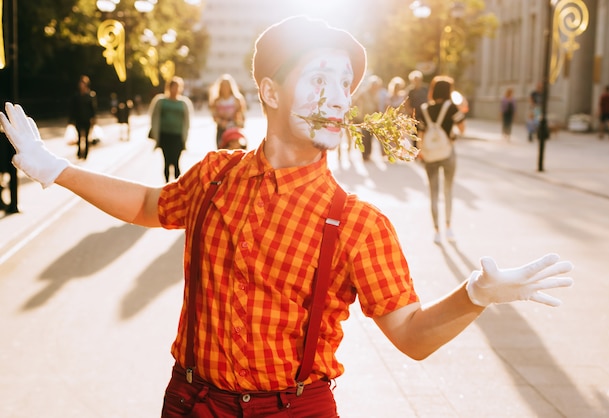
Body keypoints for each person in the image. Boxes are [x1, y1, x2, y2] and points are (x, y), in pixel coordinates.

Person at [0, 16, 574, 417]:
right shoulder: (215, 175)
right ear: (271, 92)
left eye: (344, 84)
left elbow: (412, 337)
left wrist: (474, 294)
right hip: (190, 404)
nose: (336, 97)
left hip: (294, 411)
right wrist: (55, 169)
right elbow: (151, 205)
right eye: (318, 79)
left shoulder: (358, 224)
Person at [419, 75, 466, 245]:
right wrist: (452, 137)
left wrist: (420, 151)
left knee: (433, 193)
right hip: (447, 154)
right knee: (448, 191)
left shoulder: (425, 109)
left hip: (430, 155)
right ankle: (448, 226)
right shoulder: (452, 107)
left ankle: (436, 230)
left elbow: (420, 134)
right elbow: (462, 127)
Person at [148, 76, 194, 182]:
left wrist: (185, 136)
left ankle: (177, 185)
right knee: (167, 161)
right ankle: (167, 183)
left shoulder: (183, 103)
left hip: (177, 136)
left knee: (176, 161)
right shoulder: (161, 101)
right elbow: (154, 117)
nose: (175, 89)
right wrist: (155, 134)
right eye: (173, 87)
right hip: (165, 135)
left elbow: (187, 121)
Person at [208, 73, 247, 149]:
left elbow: (241, 115)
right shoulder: (216, 101)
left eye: (226, 85)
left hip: (234, 130)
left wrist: (237, 123)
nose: (225, 88)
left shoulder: (237, 100)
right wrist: (222, 122)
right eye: (223, 86)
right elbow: (214, 116)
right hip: (221, 130)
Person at [351, 75, 384, 161]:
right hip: (364, 118)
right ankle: (364, 155)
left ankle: (368, 154)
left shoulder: (376, 94)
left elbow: (377, 105)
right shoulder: (364, 92)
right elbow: (355, 101)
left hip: (373, 119)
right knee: (364, 136)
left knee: (370, 137)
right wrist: (355, 113)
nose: (375, 87)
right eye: (373, 85)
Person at [68, 75, 97, 159]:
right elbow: (73, 108)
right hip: (78, 118)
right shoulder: (76, 96)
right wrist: (71, 119)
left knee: (87, 137)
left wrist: (93, 118)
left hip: (87, 119)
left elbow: (93, 108)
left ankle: (85, 154)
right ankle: (79, 152)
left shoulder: (90, 95)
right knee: (80, 136)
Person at [0, 129, 18, 214]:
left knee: (11, 172)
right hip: (9, 136)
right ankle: (13, 204)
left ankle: (13, 204)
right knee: (12, 172)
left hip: (8, 137)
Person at [406, 70, 429, 137]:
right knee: (415, 132)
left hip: (425, 113)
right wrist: (411, 112)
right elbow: (407, 103)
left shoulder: (425, 89)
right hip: (415, 114)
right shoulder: (410, 91)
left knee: (425, 131)